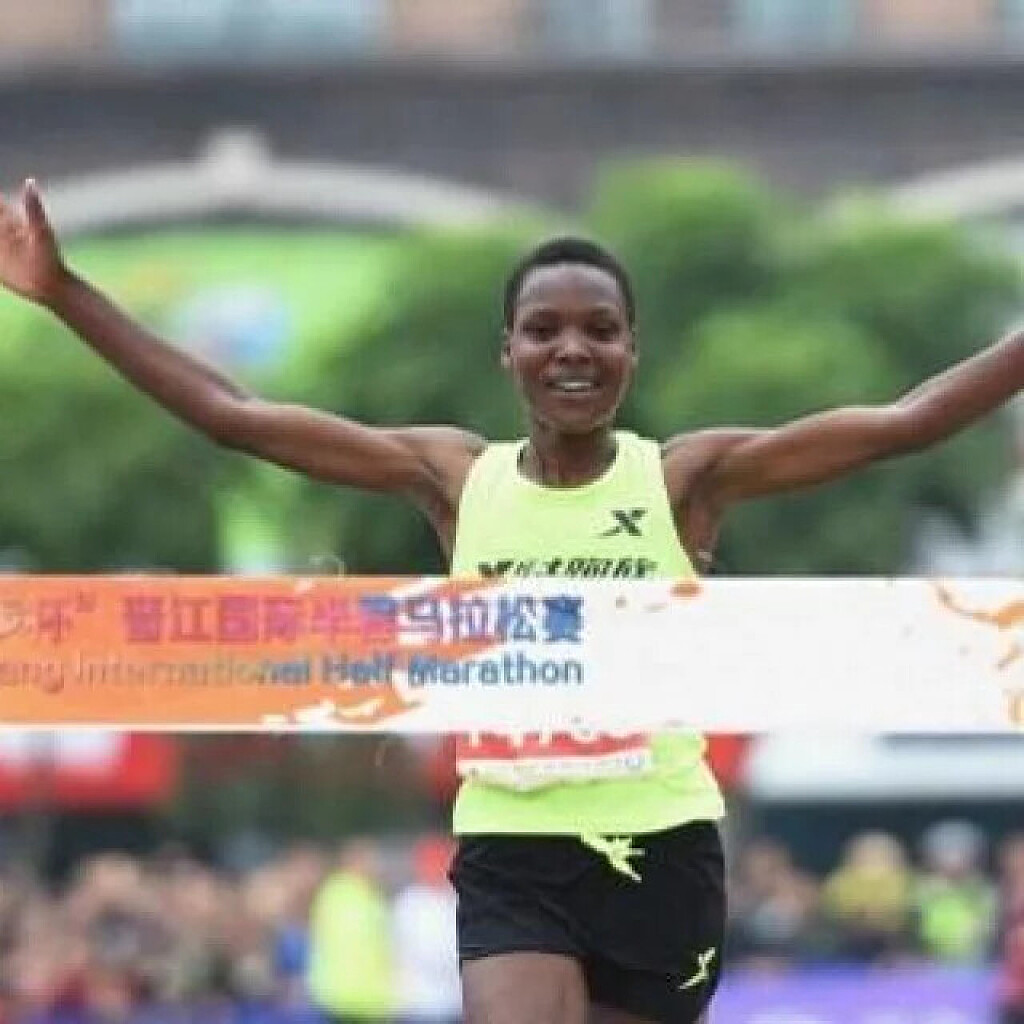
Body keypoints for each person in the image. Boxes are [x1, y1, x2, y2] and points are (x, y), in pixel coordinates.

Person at [1, 178, 1022, 1024]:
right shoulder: (455, 479)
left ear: (631, 351)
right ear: (508, 352)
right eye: (543, 329)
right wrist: (63, 291)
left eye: (599, 330)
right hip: (512, 843)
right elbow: (236, 415)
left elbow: (906, 422)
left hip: (661, 845)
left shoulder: (682, 480)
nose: (571, 348)